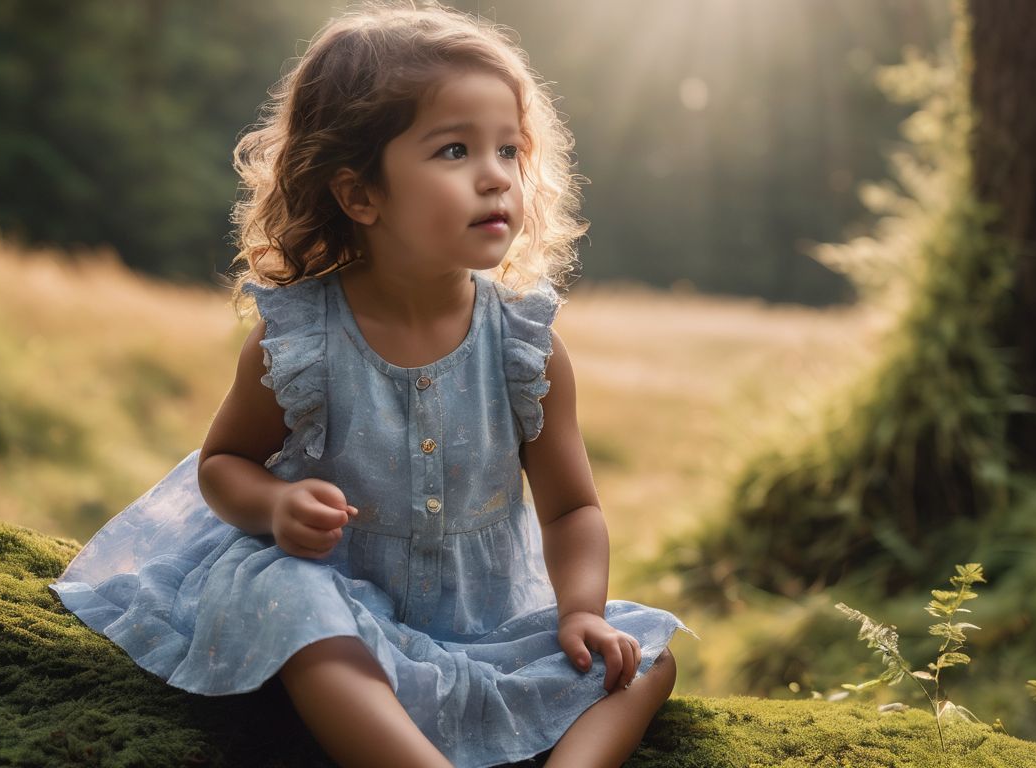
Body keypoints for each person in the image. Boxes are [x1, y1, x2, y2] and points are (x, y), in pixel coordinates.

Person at [49, 3, 696, 767]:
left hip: (479, 624)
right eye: (454, 150)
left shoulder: (526, 348)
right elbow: (221, 466)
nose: (495, 176)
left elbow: (573, 507)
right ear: (361, 195)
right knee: (293, 598)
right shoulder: (300, 342)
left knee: (648, 654)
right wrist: (276, 504)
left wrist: (580, 612)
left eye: (510, 149)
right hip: (341, 613)